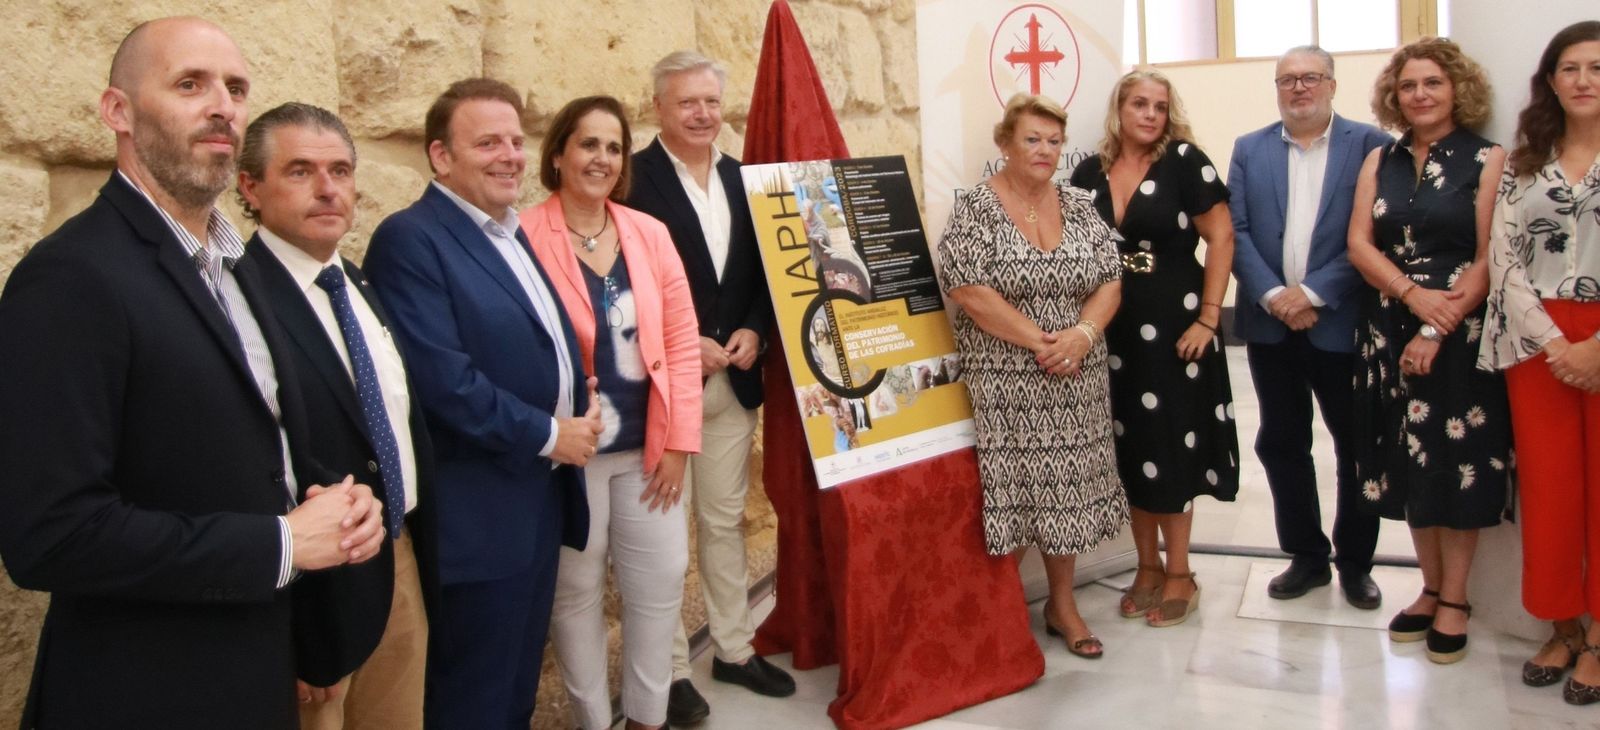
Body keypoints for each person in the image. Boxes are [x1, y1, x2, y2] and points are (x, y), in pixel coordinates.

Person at [0, 17, 385, 728]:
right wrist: (282, 543)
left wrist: (334, 502)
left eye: (236, 87)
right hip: (141, 692)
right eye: (189, 84)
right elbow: (48, 535)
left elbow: (244, 446)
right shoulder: (70, 277)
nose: (222, 105)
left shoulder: (240, 270)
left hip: (256, 670)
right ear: (118, 111)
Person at [362, 78, 602, 729]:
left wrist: (580, 394)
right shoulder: (412, 239)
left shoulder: (506, 230)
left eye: (516, 141)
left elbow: (529, 340)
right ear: (441, 157)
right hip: (480, 515)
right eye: (487, 142)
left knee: (516, 685)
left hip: (535, 501)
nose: (510, 156)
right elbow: (445, 383)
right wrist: (554, 434)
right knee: (473, 696)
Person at [238, 102, 439, 727]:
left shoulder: (354, 283)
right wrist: (288, 626)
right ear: (250, 187)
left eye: (341, 171)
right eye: (300, 171)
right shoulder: (239, 296)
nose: (328, 189)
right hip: (312, 590)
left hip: (398, 564)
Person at [623, 50, 794, 724]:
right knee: (664, 541)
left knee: (724, 522)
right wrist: (674, 342)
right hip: (666, 387)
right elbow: (619, 283)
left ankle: (732, 647)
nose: (701, 114)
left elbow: (761, 273)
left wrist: (756, 330)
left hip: (735, 383)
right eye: (686, 102)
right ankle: (666, 674)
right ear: (658, 107)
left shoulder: (746, 178)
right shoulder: (632, 181)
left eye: (710, 101)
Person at [521, 95, 701, 730]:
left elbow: (681, 341)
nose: (601, 158)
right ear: (559, 154)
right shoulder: (522, 235)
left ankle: (647, 720)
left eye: (614, 147)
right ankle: (594, 722)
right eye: (588, 144)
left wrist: (679, 443)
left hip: (649, 455)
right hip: (571, 456)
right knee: (574, 597)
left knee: (658, 591)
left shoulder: (648, 234)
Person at [937, 93, 1126, 658]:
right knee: (1017, 493)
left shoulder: (1080, 203)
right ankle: (988, 612)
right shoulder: (975, 207)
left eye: (1053, 141)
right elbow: (967, 288)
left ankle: (1063, 605)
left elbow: (1111, 279)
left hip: (1077, 378)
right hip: (1008, 382)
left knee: (1066, 491)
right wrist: (1044, 343)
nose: (1044, 150)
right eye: (1031, 139)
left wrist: (1082, 337)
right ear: (1005, 144)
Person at [1345, 38, 1508, 665]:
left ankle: (1458, 600)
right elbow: (1360, 243)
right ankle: (1430, 585)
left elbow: (1492, 255)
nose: (1420, 95)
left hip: (1459, 335)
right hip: (1389, 326)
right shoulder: (1377, 160)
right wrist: (1412, 299)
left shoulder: (1488, 158)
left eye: (1433, 83)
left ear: (1456, 89)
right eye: (1409, 85)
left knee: (1457, 463)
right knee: (1409, 462)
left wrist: (1437, 325)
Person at [1068, 69, 1240, 628]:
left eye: (1159, 107)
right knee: (1131, 446)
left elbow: (1222, 238)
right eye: (1138, 103)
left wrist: (1210, 319)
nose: (1149, 114)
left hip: (1174, 324)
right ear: (1118, 109)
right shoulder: (1088, 170)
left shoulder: (1186, 161)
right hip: (1108, 325)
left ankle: (1181, 573)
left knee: (1170, 446)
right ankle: (1146, 567)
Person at [1229, 45, 1391, 609]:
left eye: (1310, 78)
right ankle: (1306, 556)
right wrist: (1275, 295)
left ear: (1331, 84)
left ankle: (1355, 564)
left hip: (1339, 321)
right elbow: (1238, 232)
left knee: (1354, 447)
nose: (1299, 88)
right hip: (1271, 324)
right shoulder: (1249, 149)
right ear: (1277, 88)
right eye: (1287, 80)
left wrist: (1314, 292)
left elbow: (1375, 234)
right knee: (1281, 441)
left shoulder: (1370, 145)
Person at [1479, 20, 1600, 704]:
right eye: (1571, 68)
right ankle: (1562, 625)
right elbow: (1505, 262)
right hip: (1538, 345)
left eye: (1597, 67)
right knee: (1550, 492)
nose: (1584, 80)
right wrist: (1557, 345)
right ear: (1551, 80)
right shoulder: (1521, 163)